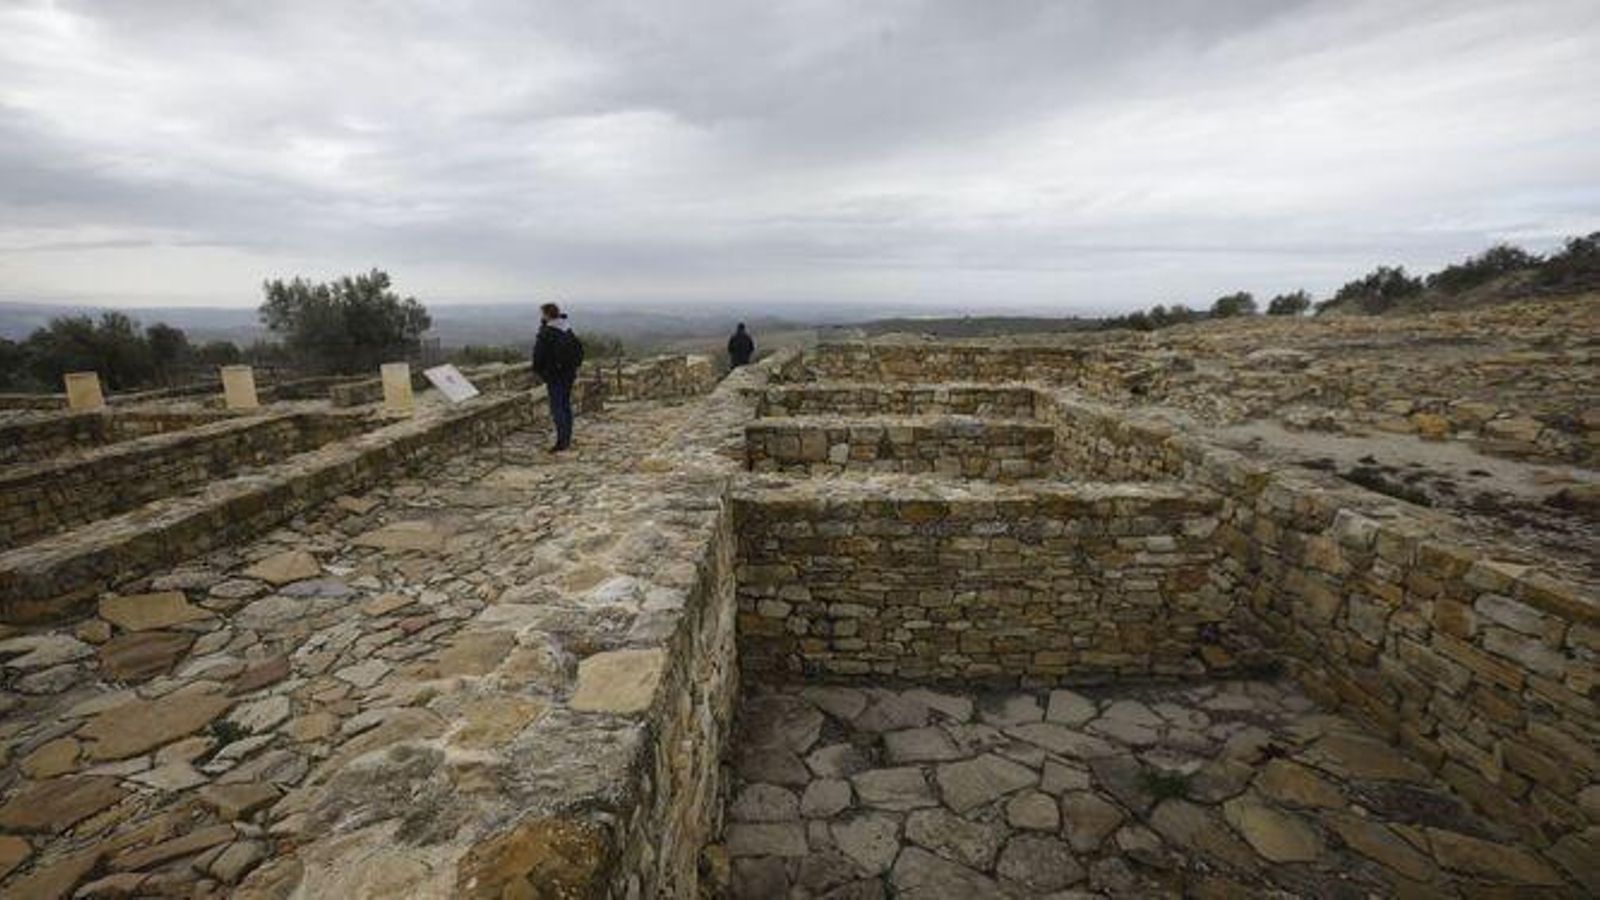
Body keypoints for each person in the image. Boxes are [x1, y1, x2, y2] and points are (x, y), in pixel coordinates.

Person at [532, 302, 584, 452]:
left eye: (542, 314)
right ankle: (567, 436)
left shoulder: (547, 332)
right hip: (569, 374)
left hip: (554, 376)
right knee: (566, 406)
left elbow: (538, 355)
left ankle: (562, 442)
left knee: (557, 408)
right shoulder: (566, 328)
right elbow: (578, 350)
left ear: (546, 314)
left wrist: (539, 371)